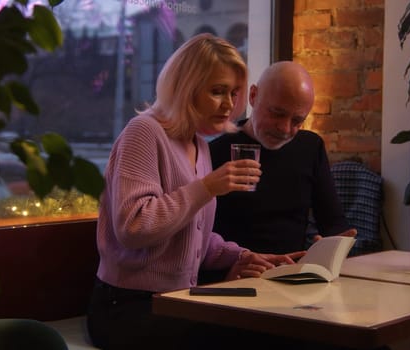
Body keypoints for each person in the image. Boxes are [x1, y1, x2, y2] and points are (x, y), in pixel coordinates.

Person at [86, 34, 303, 350]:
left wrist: (241, 256)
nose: (228, 104)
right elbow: (133, 228)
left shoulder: (197, 145)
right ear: (185, 88)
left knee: (286, 321)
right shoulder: (144, 132)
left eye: (232, 93)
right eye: (217, 91)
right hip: (126, 309)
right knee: (257, 333)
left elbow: (190, 234)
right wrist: (207, 187)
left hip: (178, 300)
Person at [208, 61, 357, 258]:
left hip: (292, 274)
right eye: (277, 114)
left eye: (297, 121)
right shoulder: (215, 152)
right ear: (253, 96)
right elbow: (200, 238)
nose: (285, 129)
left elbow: (333, 222)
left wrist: (333, 246)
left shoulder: (310, 148)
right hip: (232, 277)